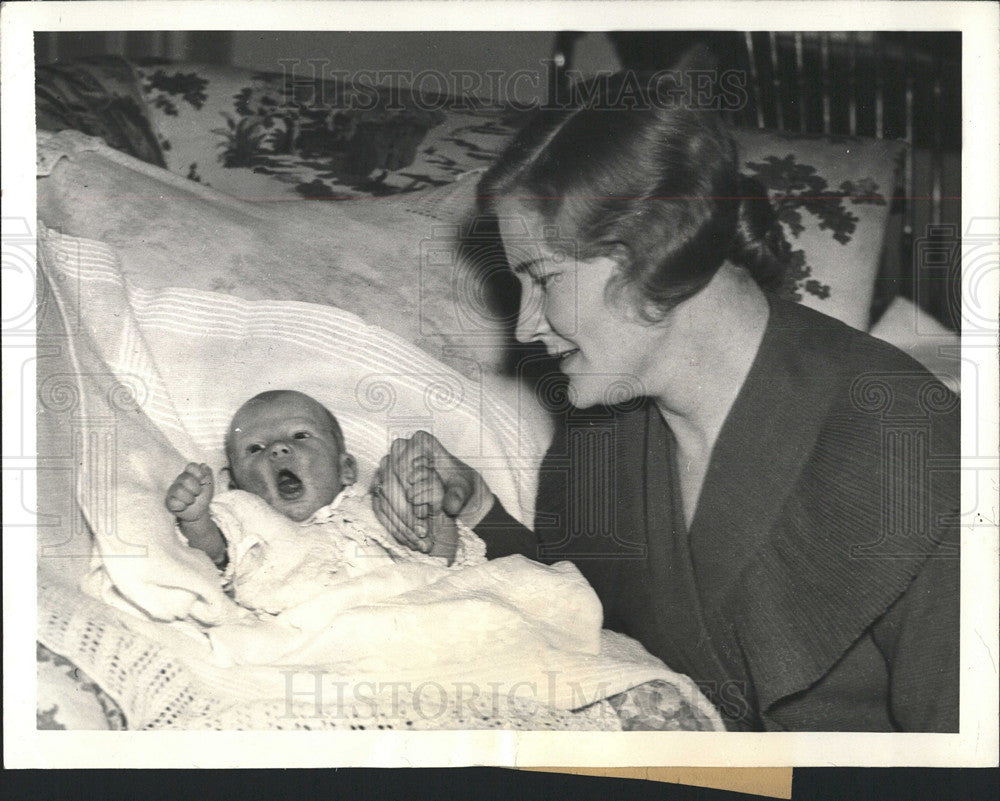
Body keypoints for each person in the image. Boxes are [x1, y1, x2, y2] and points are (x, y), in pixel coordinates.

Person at [372, 71, 960, 732]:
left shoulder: (910, 440)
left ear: (653, 249)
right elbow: (598, 614)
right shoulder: (603, 426)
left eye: (542, 278)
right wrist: (477, 509)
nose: (524, 326)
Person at [165, 390, 483, 614]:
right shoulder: (245, 514)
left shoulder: (380, 508)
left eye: (300, 435)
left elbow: (443, 567)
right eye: (255, 448)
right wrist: (197, 519)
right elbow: (214, 556)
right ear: (234, 484)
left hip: (411, 622)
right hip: (314, 642)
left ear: (346, 469)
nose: (278, 449)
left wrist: (435, 514)